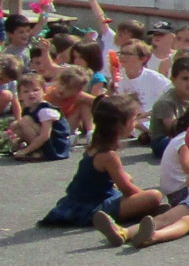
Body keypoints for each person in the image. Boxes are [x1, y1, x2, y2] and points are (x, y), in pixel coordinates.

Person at [42, 94, 166, 241]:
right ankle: (126, 217)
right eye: (133, 120)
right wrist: (147, 200)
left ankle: (143, 211)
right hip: (94, 206)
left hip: (78, 201)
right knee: (154, 196)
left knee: (129, 178)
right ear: (119, 125)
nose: (135, 124)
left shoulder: (97, 144)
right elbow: (128, 189)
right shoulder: (108, 155)